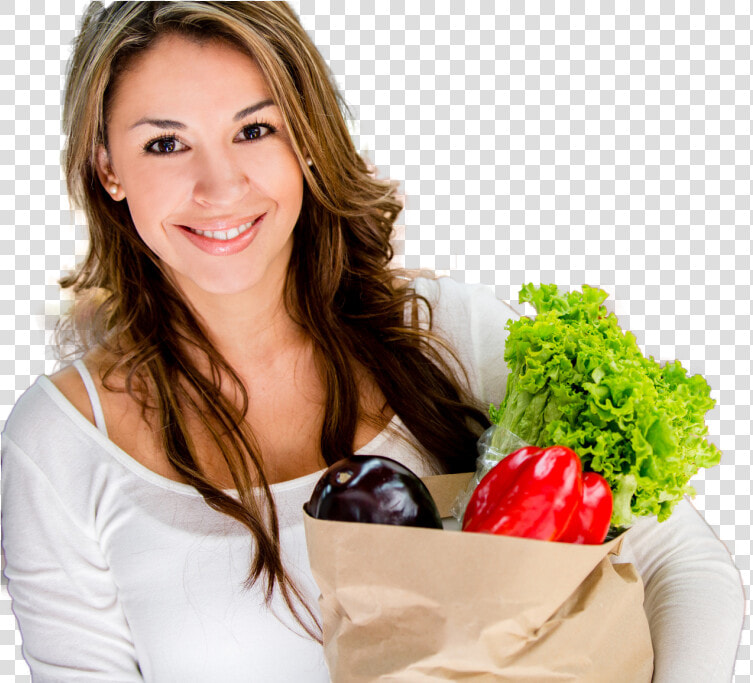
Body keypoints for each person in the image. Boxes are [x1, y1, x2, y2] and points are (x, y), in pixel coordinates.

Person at [0, 2, 744, 681]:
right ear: (106, 168)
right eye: (165, 143)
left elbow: (677, 562)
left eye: (254, 130)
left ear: (307, 144)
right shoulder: (61, 447)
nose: (219, 184)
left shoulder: (446, 335)